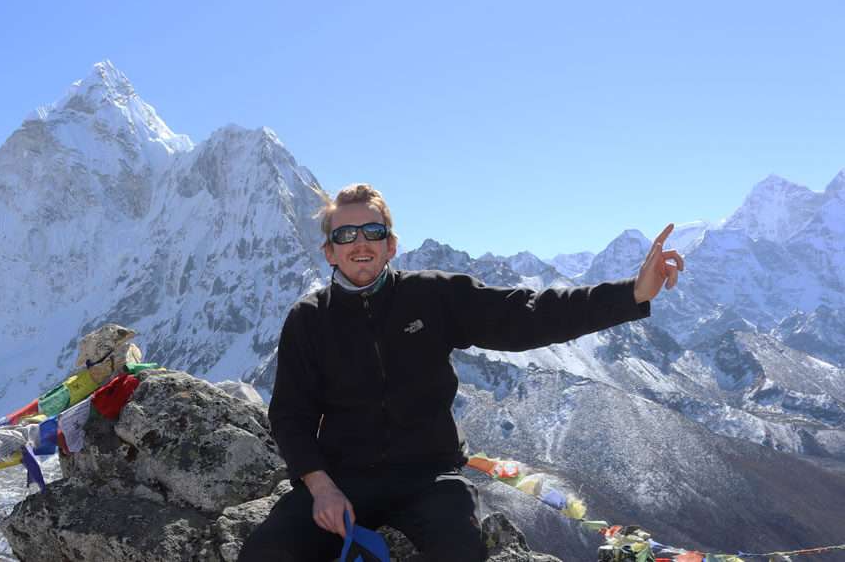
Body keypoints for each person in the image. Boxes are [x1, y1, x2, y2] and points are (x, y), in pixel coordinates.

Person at [238, 183, 684, 562]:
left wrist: (632, 294)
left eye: (373, 231)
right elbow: (291, 414)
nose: (360, 242)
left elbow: (528, 315)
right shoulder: (309, 318)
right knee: (266, 550)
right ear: (329, 251)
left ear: (391, 244)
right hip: (342, 478)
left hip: (429, 479)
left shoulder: (432, 295)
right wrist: (320, 487)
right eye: (346, 233)